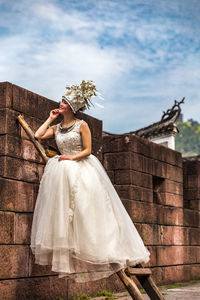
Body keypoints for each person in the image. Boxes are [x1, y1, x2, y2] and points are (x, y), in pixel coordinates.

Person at [30, 81, 150, 283]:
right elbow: (37, 135)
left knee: (87, 209)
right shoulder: (58, 127)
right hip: (63, 168)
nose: (60, 104)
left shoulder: (82, 125)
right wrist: (50, 118)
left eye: (64, 102)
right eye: (61, 101)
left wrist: (71, 158)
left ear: (72, 107)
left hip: (80, 165)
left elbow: (87, 149)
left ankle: (105, 245)